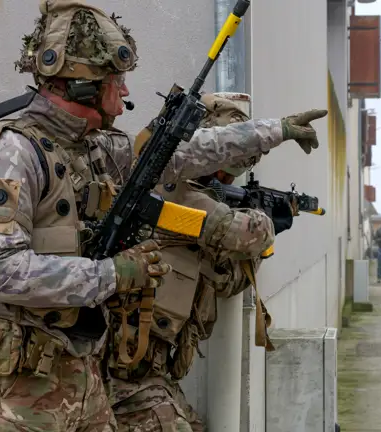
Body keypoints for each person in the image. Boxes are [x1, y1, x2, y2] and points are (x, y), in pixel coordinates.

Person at [0, 2, 327, 430]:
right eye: (117, 80)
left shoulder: (94, 147)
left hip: (79, 366)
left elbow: (182, 155)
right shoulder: (10, 152)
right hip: (14, 386)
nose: (126, 92)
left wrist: (273, 130)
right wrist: (112, 275)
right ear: (82, 84)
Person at [104, 93, 290, 431]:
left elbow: (223, 281)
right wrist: (266, 220)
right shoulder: (168, 190)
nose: (225, 181)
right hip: (120, 377)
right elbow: (245, 233)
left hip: (145, 370)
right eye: (223, 171)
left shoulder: (189, 201)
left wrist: (253, 259)